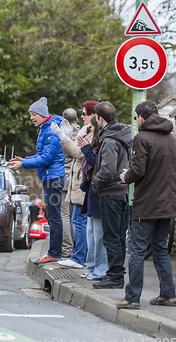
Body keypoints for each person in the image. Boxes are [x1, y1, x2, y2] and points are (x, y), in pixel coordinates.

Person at [116, 101, 176, 309]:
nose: (136, 121)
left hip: (147, 205)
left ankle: (132, 298)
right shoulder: (171, 138)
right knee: (160, 249)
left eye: (136, 117)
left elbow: (138, 170)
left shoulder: (141, 138)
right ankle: (168, 294)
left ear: (141, 117)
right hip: (167, 204)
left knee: (136, 252)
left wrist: (126, 177)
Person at [8, 97, 66, 265]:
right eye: (30, 115)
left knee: (54, 216)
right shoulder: (45, 128)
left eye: (34, 114)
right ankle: (54, 251)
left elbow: (46, 159)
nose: (31, 118)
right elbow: (42, 156)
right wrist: (24, 159)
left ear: (42, 114)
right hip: (49, 177)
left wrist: (23, 163)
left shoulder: (50, 131)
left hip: (54, 178)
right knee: (51, 214)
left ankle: (55, 253)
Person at [91, 102, 132, 289]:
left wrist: (95, 183)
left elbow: (107, 170)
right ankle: (117, 273)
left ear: (100, 119)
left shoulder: (108, 139)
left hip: (110, 193)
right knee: (119, 237)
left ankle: (114, 276)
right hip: (122, 191)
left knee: (111, 237)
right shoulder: (123, 135)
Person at [51, 108, 92, 269]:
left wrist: (62, 136)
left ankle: (70, 251)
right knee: (77, 219)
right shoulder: (82, 131)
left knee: (70, 217)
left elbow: (73, 153)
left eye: (85, 114)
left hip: (71, 179)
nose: (83, 117)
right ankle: (77, 252)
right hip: (74, 179)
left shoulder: (83, 133)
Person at [77, 115, 108, 280]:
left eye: (91, 128)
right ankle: (92, 268)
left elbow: (97, 164)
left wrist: (86, 149)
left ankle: (100, 270)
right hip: (91, 191)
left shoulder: (104, 142)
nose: (89, 130)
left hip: (98, 192)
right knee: (91, 233)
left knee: (98, 235)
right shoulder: (96, 142)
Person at [59, 108, 78, 258]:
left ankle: (66, 250)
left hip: (64, 178)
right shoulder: (85, 132)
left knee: (65, 215)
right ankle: (80, 251)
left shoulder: (61, 133)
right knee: (79, 218)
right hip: (79, 181)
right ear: (76, 120)